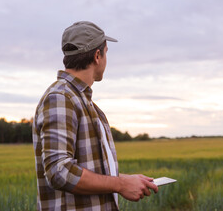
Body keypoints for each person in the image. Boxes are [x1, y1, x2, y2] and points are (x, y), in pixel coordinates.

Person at [32, 21, 158, 211]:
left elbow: (86, 170)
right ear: (97, 56)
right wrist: (120, 185)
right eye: (106, 52)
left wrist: (124, 179)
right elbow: (60, 172)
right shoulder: (61, 98)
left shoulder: (84, 102)